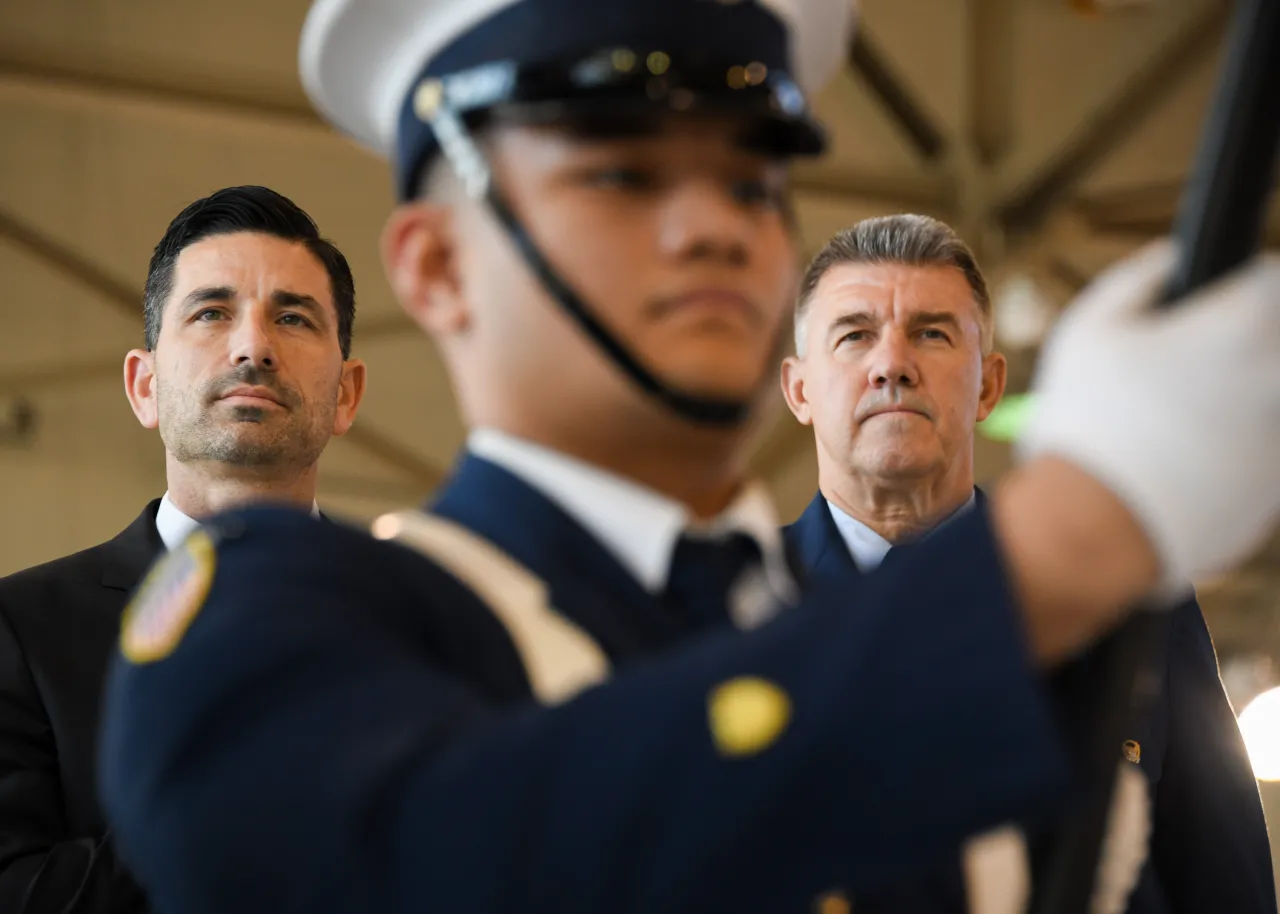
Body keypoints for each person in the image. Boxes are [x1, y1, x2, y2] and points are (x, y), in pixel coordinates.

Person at [96, 1, 1280, 912]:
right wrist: (1071, 533)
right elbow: (471, 853)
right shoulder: (276, 622)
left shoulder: (813, 638)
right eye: (621, 171)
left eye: (750, 178)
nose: (716, 219)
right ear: (438, 267)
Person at [780, 213, 1277, 913]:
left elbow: (1226, 882)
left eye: (931, 333)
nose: (891, 363)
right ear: (799, 389)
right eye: (854, 335)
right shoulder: (729, 614)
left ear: (988, 385)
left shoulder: (1134, 600)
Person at [0, 185, 366, 913]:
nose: (253, 345)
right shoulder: (19, 628)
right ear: (144, 386)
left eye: (292, 317)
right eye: (211, 312)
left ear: (348, 395)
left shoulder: (436, 619)